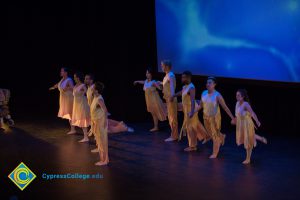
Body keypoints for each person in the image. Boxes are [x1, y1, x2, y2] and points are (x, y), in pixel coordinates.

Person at [198, 77, 235, 158]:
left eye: (210, 83)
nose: (208, 84)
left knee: (215, 136)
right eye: (207, 83)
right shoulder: (203, 93)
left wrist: (233, 118)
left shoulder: (217, 95)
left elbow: (225, 107)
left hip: (214, 118)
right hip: (205, 117)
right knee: (210, 134)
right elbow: (201, 105)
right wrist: (193, 111)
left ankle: (215, 153)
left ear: (214, 84)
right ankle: (222, 136)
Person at [171, 71, 209, 151]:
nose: (182, 78)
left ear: (188, 78)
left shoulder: (191, 87)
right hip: (186, 109)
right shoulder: (185, 86)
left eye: (184, 77)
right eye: (182, 77)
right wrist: (174, 95)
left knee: (190, 127)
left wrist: (192, 112)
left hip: (191, 109)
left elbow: (192, 100)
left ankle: (193, 146)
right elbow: (181, 93)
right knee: (195, 125)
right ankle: (206, 136)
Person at [234, 89, 267, 164]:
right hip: (241, 124)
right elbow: (237, 114)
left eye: (238, 95)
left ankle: (248, 159)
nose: (237, 97)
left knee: (248, 140)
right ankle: (261, 138)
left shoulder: (246, 104)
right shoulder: (237, 103)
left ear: (242, 97)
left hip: (247, 124)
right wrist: (235, 120)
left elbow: (252, 113)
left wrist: (257, 121)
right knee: (249, 136)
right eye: (236, 95)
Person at [49, 67, 75, 134]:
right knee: (69, 113)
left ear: (66, 73)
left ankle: (73, 129)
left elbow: (73, 88)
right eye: (61, 71)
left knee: (70, 112)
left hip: (69, 98)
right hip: (64, 98)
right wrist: (53, 87)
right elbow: (57, 85)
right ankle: (72, 129)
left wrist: (67, 88)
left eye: (62, 71)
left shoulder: (69, 80)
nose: (61, 72)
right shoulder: (63, 79)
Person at [90, 82, 109, 166]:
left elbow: (105, 110)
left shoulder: (99, 99)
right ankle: (103, 159)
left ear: (96, 90)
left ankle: (104, 160)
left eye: (93, 87)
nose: (91, 88)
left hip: (101, 122)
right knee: (99, 140)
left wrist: (105, 121)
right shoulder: (95, 97)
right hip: (96, 121)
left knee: (102, 141)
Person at [159, 60, 178, 142]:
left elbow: (172, 87)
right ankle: (173, 135)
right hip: (168, 99)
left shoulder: (171, 75)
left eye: (162, 66)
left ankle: (174, 136)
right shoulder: (166, 76)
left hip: (171, 99)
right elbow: (165, 86)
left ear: (167, 66)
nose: (161, 67)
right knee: (170, 118)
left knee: (173, 118)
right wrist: (160, 83)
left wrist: (172, 96)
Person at [71, 72, 91, 143]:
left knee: (83, 120)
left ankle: (86, 137)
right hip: (76, 105)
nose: (74, 78)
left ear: (78, 78)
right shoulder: (76, 85)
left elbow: (88, 94)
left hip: (82, 104)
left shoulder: (83, 86)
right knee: (82, 120)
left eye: (75, 77)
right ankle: (87, 135)